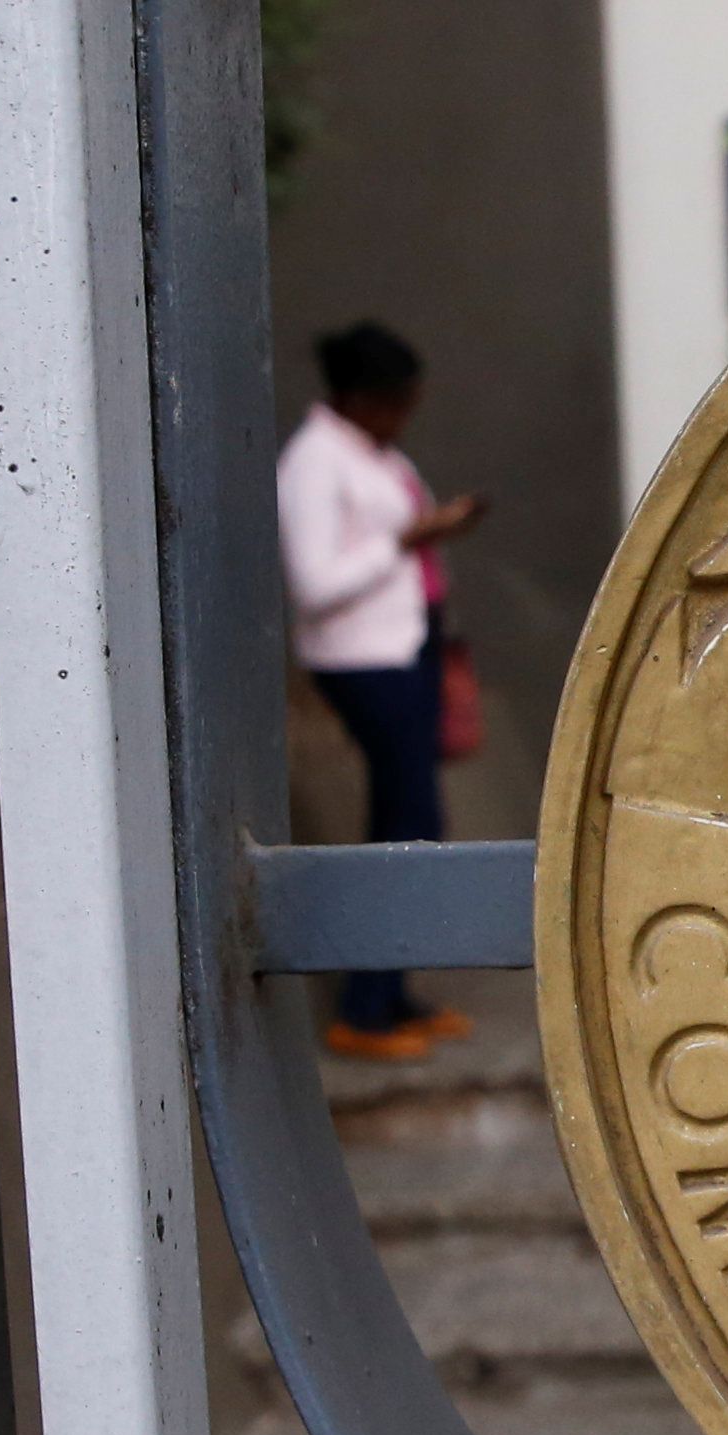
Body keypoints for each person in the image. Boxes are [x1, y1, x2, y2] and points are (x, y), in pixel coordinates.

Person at [278, 320, 487, 1061]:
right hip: (363, 660)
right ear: (360, 398)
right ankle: (363, 1008)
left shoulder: (371, 454)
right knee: (404, 821)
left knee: (411, 818)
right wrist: (405, 541)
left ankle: (390, 993)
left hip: (408, 647)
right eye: (396, 402)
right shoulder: (313, 463)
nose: (405, 416)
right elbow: (313, 582)